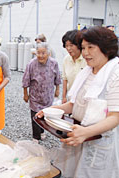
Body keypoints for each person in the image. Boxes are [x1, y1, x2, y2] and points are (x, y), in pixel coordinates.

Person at [37, 26, 119, 178]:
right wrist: (53, 109)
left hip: (98, 142)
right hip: (77, 134)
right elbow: (74, 104)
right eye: (83, 47)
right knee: (71, 172)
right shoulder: (87, 72)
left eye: (91, 47)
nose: (85, 52)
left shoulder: (115, 74)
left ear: (106, 49)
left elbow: (115, 116)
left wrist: (86, 132)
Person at [23, 42, 61, 141]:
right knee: (35, 116)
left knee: (44, 116)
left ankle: (42, 131)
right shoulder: (31, 64)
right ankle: (36, 137)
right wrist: (25, 94)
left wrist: (57, 89)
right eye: (38, 53)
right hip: (35, 96)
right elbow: (26, 79)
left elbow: (57, 78)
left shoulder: (54, 63)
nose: (40, 55)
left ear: (48, 53)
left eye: (43, 53)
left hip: (47, 96)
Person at [61, 30, 87, 103]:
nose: (68, 48)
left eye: (71, 45)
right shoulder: (66, 60)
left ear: (79, 45)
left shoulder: (87, 59)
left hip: (84, 99)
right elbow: (65, 79)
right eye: (66, 46)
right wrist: (63, 97)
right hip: (71, 99)